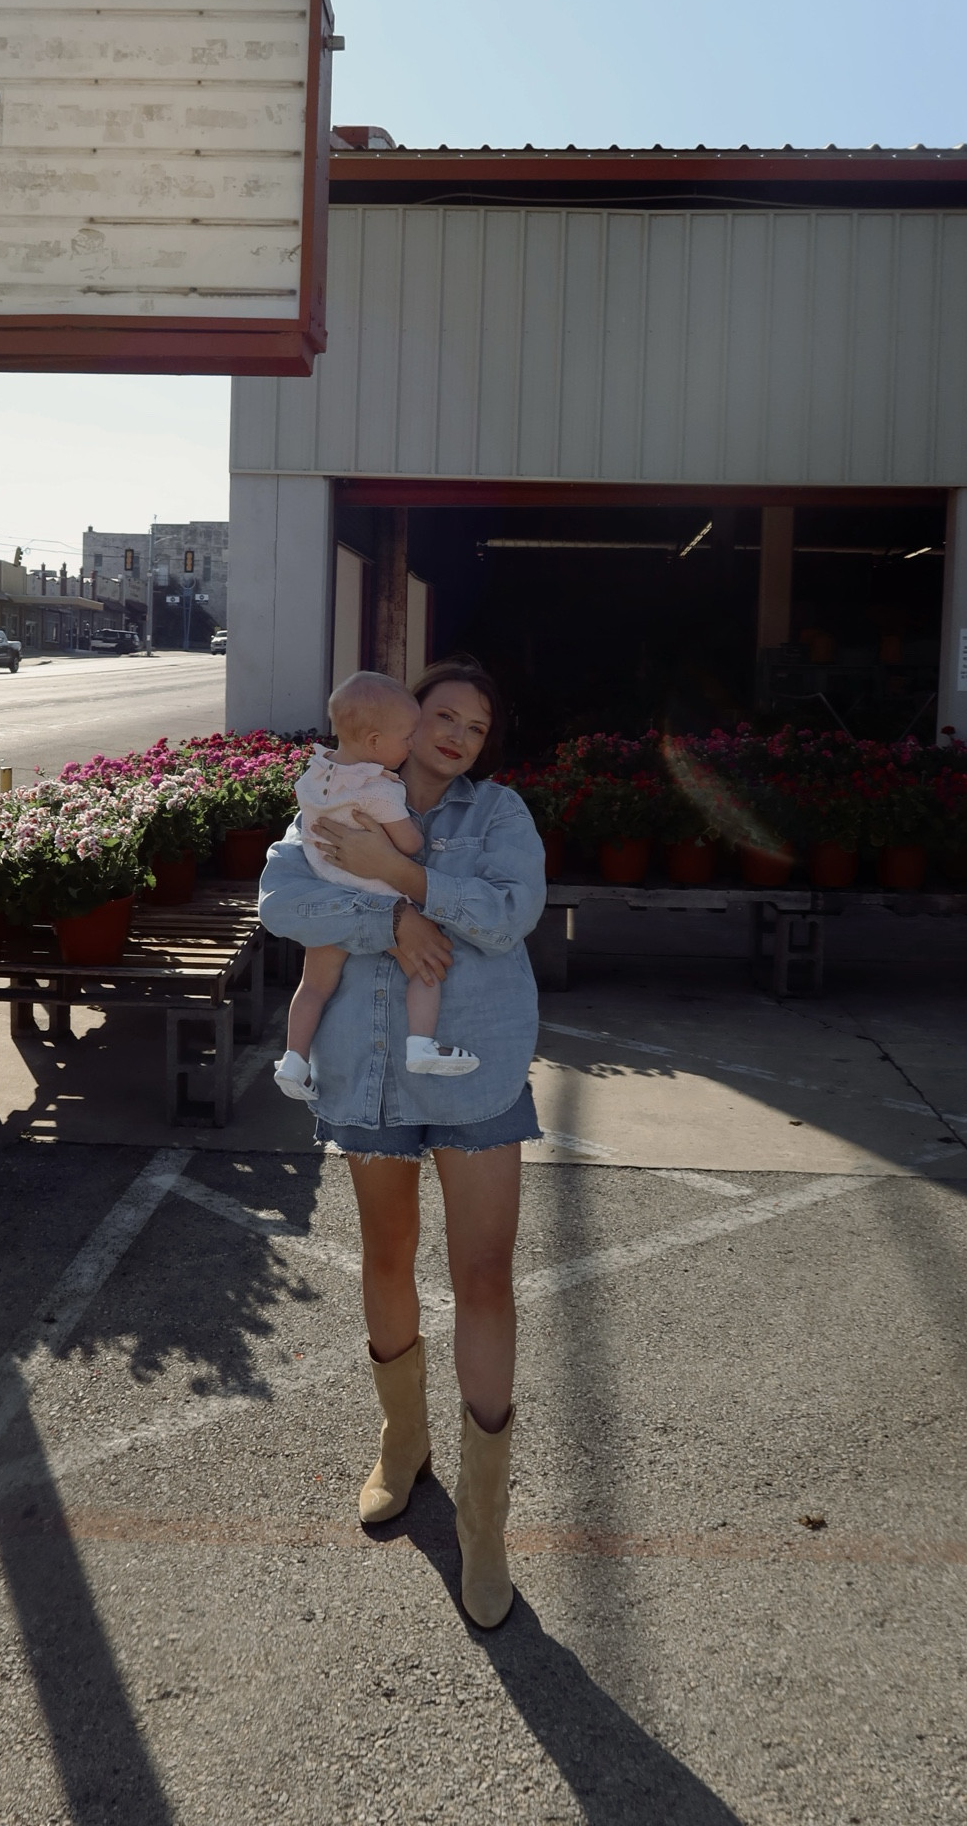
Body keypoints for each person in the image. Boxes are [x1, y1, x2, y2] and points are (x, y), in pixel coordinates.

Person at [258, 657, 546, 1629]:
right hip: (368, 1068)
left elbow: (510, 914)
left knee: (485, 1275)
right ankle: (402, 1438)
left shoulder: (497, 814)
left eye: (479, 719)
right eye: (445, 711)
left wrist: (404, 873)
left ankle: (484, 1512)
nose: (461, 731)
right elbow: (283, 901)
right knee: (385, 1253)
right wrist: (391, 913)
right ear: (403, 716)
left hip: (475, 1069)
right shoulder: (332, 792)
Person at [275, 670, 480, 1103]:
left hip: (329, 892)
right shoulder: (377, 790)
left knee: (313, 986)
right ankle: (422, 1044)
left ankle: (294, 1060)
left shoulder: (316, 775)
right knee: (424, 970)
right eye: (406, 737)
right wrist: (405, 836)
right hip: (377, 895)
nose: (410, 743)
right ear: (373, 742)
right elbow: (409, 843)